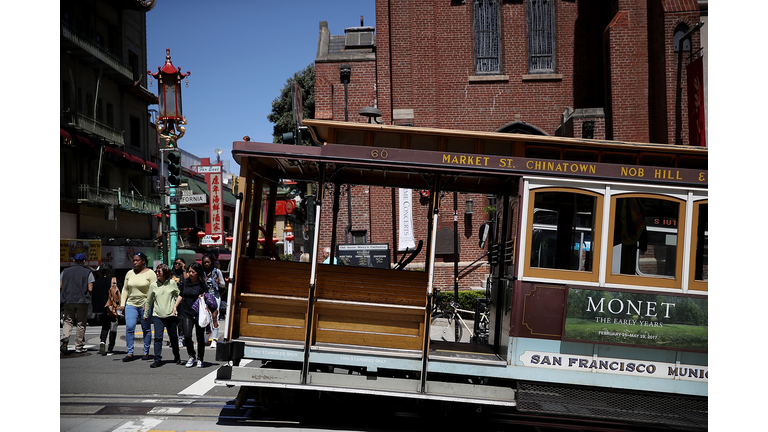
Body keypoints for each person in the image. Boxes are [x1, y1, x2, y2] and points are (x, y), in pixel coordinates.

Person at [120, 252, 157, 362]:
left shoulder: (150, 273)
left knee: (146, 329)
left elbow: (153, 290)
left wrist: (148, 303)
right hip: (131, 304)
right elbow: (125, 289)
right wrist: (122, 304)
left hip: (145, 304)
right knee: (130, 327)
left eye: (137, 260)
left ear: (143, 261)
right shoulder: (129, 273)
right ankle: (130, 353)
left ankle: (145, 352)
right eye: (134, 260)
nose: (135, 262)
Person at [144, 264, 181, 367]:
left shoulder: (172, 283)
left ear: (165, 273)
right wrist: (146, 314)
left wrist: (176, 307)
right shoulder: (153, 285)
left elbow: (179, 296)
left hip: (170, 315)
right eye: (156, 271)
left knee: (173, 337)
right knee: (158, 338)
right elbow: (149, 300)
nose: (157, 273)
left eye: (159, 272)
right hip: (157, 315)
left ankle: (176, 355)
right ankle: (157, 359)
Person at [174, 262, 208, 368]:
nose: (191, 274)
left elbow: (207, 298)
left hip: (199, 314)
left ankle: (200, 358)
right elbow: (180, 295)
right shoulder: (185, 282)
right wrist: (175, 307)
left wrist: (203, 297)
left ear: (198, 273)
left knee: (200, 337)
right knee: (187, 336)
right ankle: (191, 355)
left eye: (193, 272)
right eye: (189, 271)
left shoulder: (202, 285)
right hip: (186, 312)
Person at [60, 253, 95, 354]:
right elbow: (90, 288)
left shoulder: (65, 271)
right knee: (80, 323)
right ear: (84, 261)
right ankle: (78, 346)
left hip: (68, 300)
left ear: (73, 261)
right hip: (82, 301)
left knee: (68, 321)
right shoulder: (88, 272)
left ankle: (65, 338)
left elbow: (60, 286)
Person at [91, 263, 121, 356]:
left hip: (101, 308)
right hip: (112, 308)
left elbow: (93, 295)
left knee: (104, 326)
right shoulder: (114, 281)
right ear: (110, 271)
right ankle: (110, 348)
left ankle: (102, 342)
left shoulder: (96, 282)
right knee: (113, 327)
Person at [201, 253, 224, 348]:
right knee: (206, 316)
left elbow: (223, 284)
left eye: (208, 262)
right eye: (204, 262)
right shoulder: (201, 273)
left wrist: (219, 282)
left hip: (215, 296)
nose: (206, 264)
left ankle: (214, 338)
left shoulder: (217, 272)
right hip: (205, 296)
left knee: (215, 316)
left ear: (211, 262)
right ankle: (208, 332)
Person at [171, 257, 188, 348]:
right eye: (176, 263)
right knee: (174, 319)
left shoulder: (184, 273)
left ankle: (181, 338)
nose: (177, 265)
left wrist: (184, 269)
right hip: (172, 299)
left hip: (182, 299)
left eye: (179, 264)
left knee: (181, 319)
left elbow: (187, 281)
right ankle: (174, 338)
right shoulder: (171, 274)